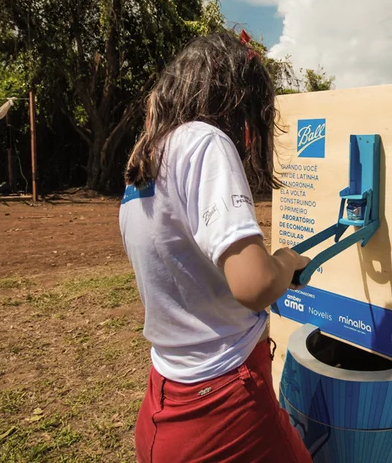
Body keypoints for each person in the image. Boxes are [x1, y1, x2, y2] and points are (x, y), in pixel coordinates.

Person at [119, 32, 312, 463]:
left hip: (164, 402)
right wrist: (285, 261)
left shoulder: (146, 160)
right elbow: (255, 284)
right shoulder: (202, 141)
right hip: (223, 405)